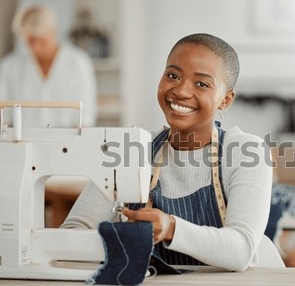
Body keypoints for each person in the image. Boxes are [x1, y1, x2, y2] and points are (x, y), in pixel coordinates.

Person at [61, 33, 274, 272]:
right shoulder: (131, 149)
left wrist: (171, 228)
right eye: (173, 75)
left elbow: (241, 249)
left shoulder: (246, 152)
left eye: (201, 84)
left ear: (225, 100)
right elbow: (74, 231)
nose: (181, 91)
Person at [0, 4, 97, 128]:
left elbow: (86, 117)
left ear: (53, 32)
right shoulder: (9, 66)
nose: (35, 47)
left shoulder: (78, 63)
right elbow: (4, 116)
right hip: (22, 143)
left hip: (67, 143)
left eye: (40, 40)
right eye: (30, 41)